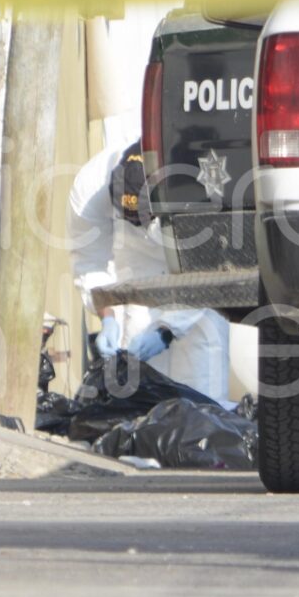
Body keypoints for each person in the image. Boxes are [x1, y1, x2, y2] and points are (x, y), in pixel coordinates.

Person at [68, 139, 232, 408]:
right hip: (136, 258)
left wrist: (167, 331)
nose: (143, 226)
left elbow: (212, 269)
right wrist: (107, 315)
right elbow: (88, 260)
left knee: (203, 375)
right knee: (138, 374)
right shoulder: (90, 187)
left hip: (194, 249)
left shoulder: (206, 180)